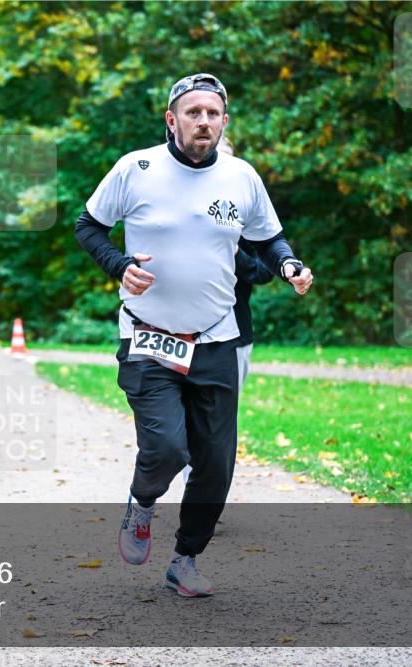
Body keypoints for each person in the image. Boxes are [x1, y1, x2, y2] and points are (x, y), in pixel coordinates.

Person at [74, 73, 313, 597]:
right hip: (147, 336)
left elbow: (268, 237)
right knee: (165, 448)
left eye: (212, 113)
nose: (203, 121)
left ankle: (185, 558)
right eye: (192, 112)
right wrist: (119, 265)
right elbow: (87, 225)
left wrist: (289, 263)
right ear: (171, 119)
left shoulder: (241, 176)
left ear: (224, 121)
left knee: (215, 462)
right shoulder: (135, 170)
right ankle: (141, 504)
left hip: (217, 338)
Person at [180, 135, 275, 484]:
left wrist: (235, 253)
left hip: (234, 334)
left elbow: (267, 270)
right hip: (176, 331)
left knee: (216, 419)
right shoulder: (177, 208)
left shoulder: (246, 213)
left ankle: (201, 494)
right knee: (180, 416)